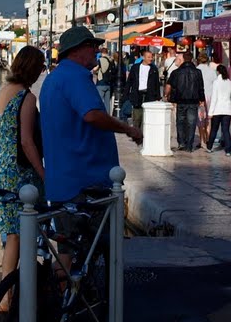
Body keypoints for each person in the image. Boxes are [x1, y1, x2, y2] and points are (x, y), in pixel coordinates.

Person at [40, 26, 142, 207]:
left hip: (63, 182)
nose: (96, 50)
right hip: (84, 183)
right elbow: (92, 115)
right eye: (91, 45)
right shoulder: (75, 76)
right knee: (96, 234)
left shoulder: (54, 78)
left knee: (69, 234)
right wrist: (128, 129)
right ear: (76, 49)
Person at [0, 47, 46, 284]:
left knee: (12, 234)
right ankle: (21, 293)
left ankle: (6, 294)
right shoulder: (27, 97)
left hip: (1, 166)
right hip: (20, 171)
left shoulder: (4, 91)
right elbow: (26, 141)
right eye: (40, 66)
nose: (42, 70)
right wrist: (44, 174)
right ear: (33, 69)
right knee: (24, 233)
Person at [164, 51, 206, 152]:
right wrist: (202, 99)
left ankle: (181, 142)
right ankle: (189, 145)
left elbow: (170, 86)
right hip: (193, 101)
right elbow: (201, 87)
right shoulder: (197, 72)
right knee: (191, 123)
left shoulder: (176, 72)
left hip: (180, 100)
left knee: (180, 121)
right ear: (191, 59)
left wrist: (167, 96)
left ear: (183, 59)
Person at [124, 49, 161, 131]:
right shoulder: (135, 67)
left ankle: (145, 134)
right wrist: (126, 94)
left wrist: (158, 97)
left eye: (151, 57)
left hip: (149, 95)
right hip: (137, 94)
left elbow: (156, 84)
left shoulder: (154, 69)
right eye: (148, 57)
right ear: (143, 57)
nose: (150, 59)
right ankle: (137, 133)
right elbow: (129, 81)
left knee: (147, 117)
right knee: (137, 117)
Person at [207, 64, 231, 154]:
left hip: (217, 110)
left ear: (218, 72)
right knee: (226, 130)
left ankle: (210, 147)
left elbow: (214, 98)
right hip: (227, 110)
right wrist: (230, 108)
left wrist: (210, 112)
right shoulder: (230, 83)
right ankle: (228, 150)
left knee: (214, 129)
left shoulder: (216, 82)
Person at [197, 54, 218, 147]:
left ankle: (202, 140)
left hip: (199, 97)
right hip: (210, 96)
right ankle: (208, 139)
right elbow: (216, 84)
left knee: (200, 119)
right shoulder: (212, 71)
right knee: (208, 119)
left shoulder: (196, 70)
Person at [95, 47, 114, 113]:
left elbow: (96, 69)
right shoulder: (111, 59)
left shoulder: (101, 60)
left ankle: (100, 117)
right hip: (109, 83)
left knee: (99, 101)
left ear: (101, 52)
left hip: (101, 82)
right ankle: (107, 118)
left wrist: (95, 71)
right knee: (107, 103)